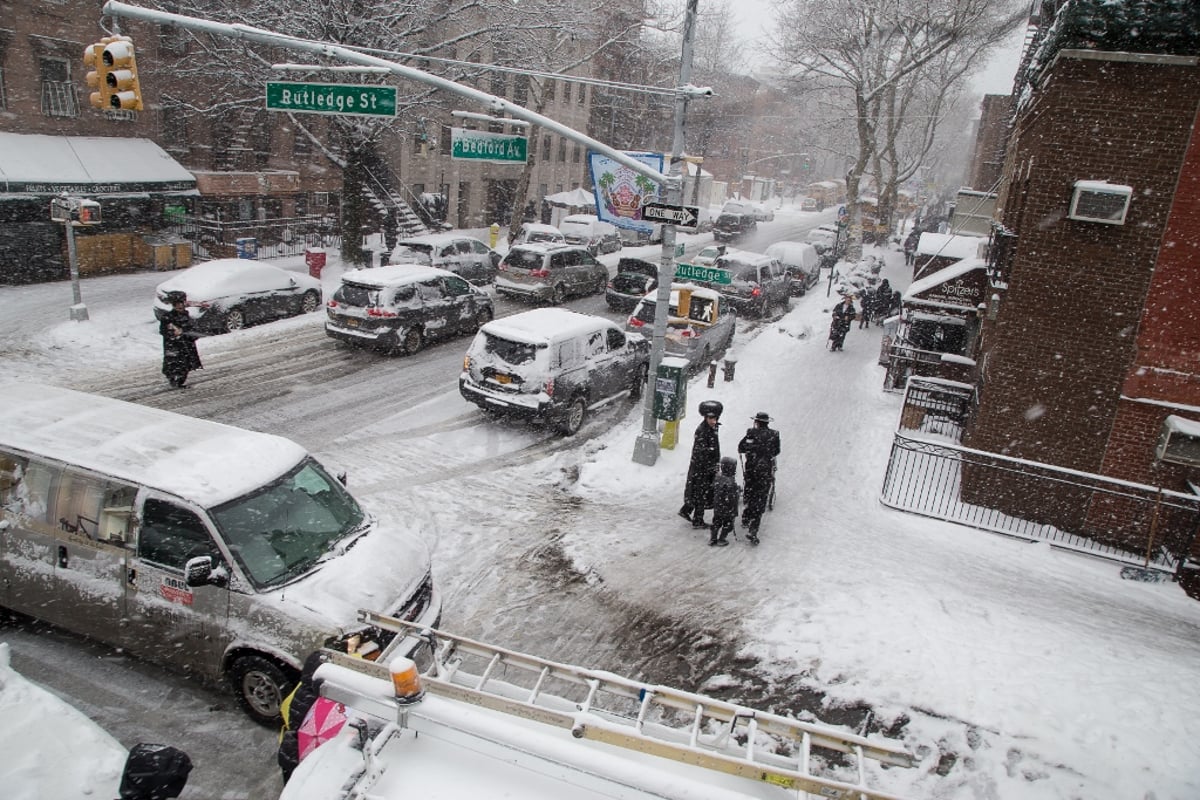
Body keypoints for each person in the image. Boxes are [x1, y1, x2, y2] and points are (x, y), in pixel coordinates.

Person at [738, 412, 780, 544]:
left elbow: (741, 447)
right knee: (760, 498)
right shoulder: (774, 435)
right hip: (764, 471)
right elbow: (776, 451)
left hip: (751, 470)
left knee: (750, 492)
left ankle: (746, 516)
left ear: (756, 422)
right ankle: (753, 529)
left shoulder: (751, 432)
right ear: (767, 423)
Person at [678, 401, 722, 528]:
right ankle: (698, 520)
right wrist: (710, 465)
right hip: (701, 469)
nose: (713, 421)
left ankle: (686, 510)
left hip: (703, 468)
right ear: (706, 418)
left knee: (698, 492)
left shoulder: (711, 428)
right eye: (711, 419)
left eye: (715, 419)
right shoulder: (703, 431)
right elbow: (701, 453)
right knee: (701, 493)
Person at [160, 290, 202, 388]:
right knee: (174, 363)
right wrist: (173, 334)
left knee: (185, 364)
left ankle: (179, 380)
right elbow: (163, 331)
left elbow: (192, 330)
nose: (179, 306)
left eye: (181, 303)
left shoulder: (186, 316)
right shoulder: (167, 317)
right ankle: (174, 379)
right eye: (176, 304)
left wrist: (189, 335)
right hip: (174, 346)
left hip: (186, 345)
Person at [709, 457, 740, 547]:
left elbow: (714, 489)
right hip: (728, 508)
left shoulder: (718, 479)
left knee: (716, 522)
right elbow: (732, 497)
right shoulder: (730, 482)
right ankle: (722, 538)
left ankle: (713, 538)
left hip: (718, 506)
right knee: (728, 524)